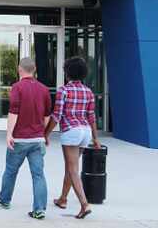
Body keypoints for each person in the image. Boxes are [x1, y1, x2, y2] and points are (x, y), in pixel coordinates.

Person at [0, 57, 52, 220]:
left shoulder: (17, 88)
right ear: (34, 70)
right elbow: (47, 116)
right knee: (38, 175)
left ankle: (5, 200)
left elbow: (13, 113)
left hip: (20, 139)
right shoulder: (44, 89)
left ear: (20, 69)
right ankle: (39, 209)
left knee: (11, 171)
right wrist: (43, 133)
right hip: (37, 140)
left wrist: (9, 134)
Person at [44, 56, 101, 220]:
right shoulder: (88, 91)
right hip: (85, 132)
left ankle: (84, 205)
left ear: (67, 73)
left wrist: (46, 134)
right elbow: (91, 116)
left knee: (72, 169)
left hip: (71, 131)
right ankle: (62, 199)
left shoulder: (64, 90)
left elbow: (57, 115)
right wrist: (96, 139)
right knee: (71, 167)